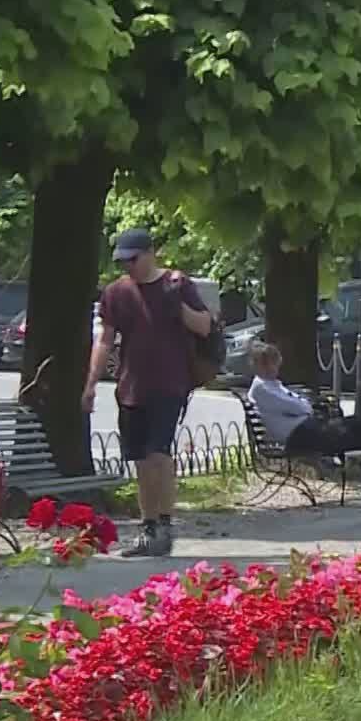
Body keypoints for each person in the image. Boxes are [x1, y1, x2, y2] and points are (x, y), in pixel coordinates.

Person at [86, 228, 213, 558]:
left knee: (159, 454)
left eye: (133, 258)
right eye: (123, 261)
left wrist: (178, 306)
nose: (128, 266)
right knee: (142, 461)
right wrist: (90, 384)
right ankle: (148, 528)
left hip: (170, 384)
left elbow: (204, 326)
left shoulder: (177, 284)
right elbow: (104, 340)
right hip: (131, 387)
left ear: (150, 253)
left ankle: (165, 527)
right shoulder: (115, 294)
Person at [245, 342, 361, 508]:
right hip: (300, 436)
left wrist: (305, 408)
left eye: (274, 362)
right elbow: (301, 406)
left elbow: (300, 405)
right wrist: (305, 408)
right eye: (269, 363)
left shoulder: (272, 385)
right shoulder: (262, 389)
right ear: (258, 365)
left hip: (309, 430)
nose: (274, 368)